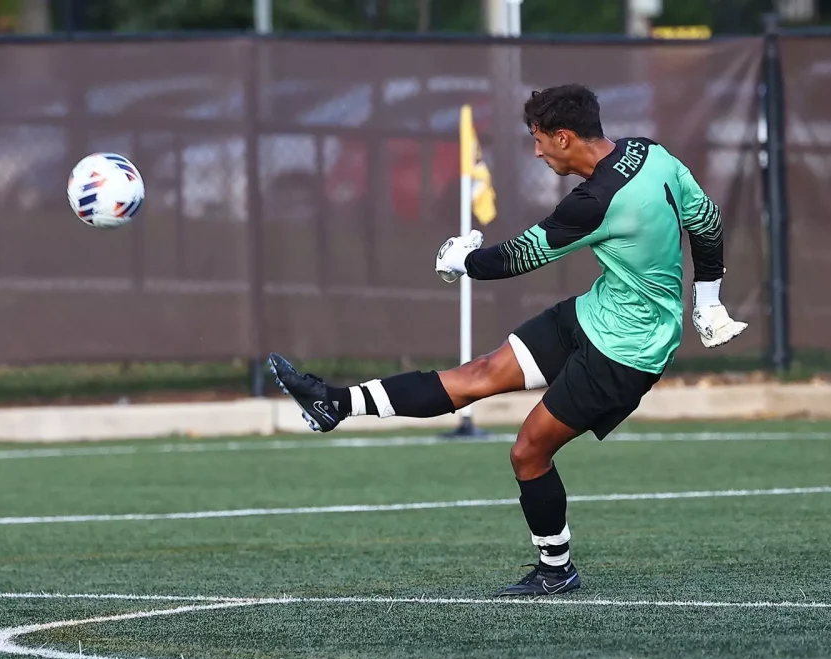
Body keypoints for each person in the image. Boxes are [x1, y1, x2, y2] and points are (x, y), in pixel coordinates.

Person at [266, 83, 747, 597]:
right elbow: (707, 221)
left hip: (624, 352)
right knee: (475, 377)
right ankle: (334, 403)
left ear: (564, 137)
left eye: (539, 140)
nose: (536, 152)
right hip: (594, 313)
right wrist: (709, 298)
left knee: (527, 453)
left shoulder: (596, 202)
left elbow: (519, 258)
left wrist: (461, 261)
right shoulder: (650, 153)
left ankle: (556, 571)